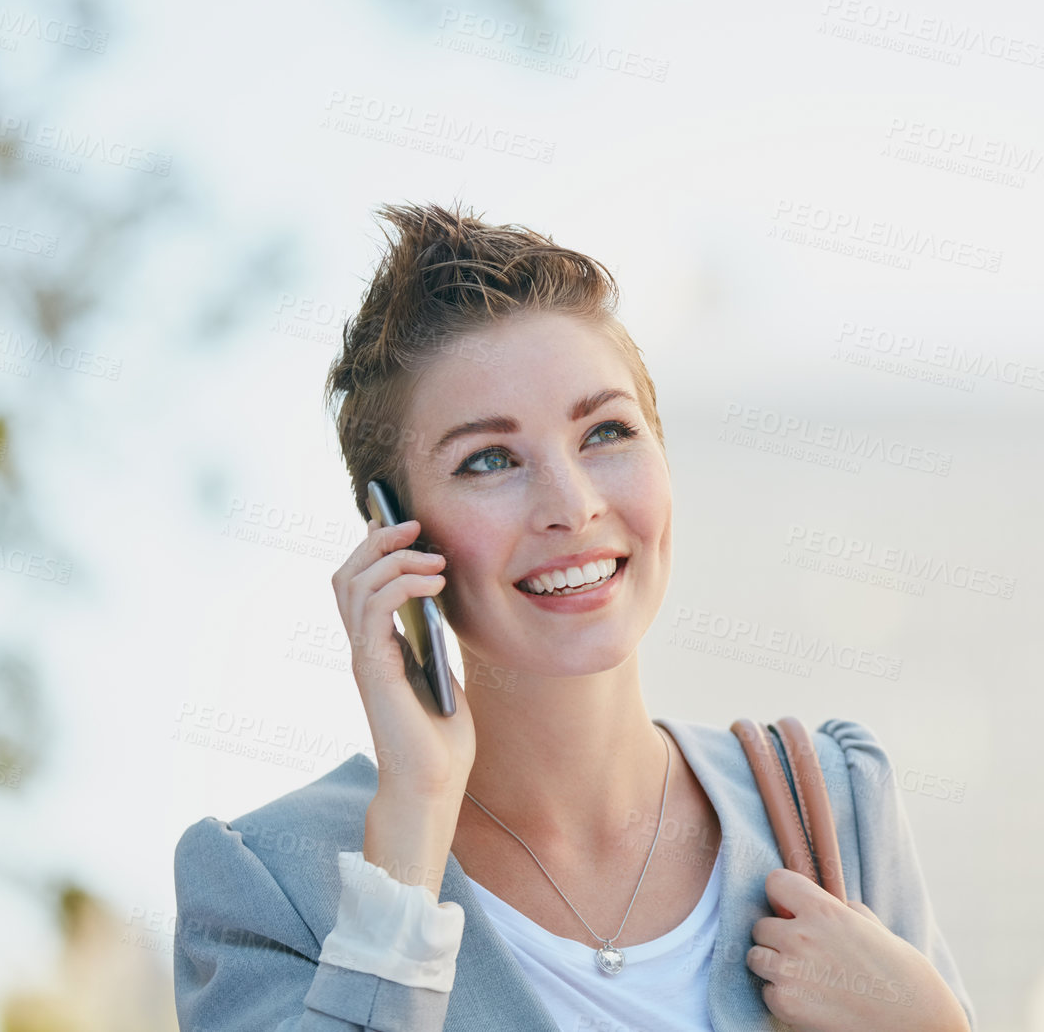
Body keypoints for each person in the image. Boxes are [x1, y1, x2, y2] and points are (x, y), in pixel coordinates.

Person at [171, 202, 976, 1032]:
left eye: (606, 432)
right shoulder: (270, 881)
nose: (573, 505)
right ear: (392, 536)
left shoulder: (829, 807)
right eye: (488, 459)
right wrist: (413, 818)